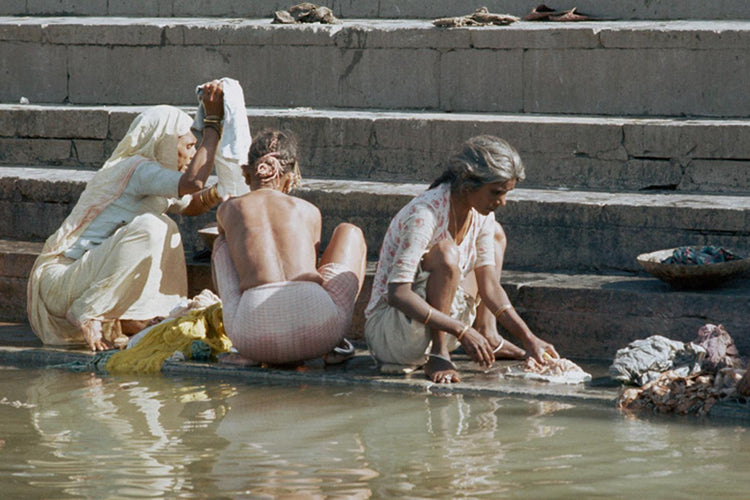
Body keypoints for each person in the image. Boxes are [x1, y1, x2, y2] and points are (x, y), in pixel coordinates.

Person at [28, 81, 227, 351]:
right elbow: (193, 184)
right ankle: (88, 310)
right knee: (152, 227)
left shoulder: (151, 178)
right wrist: (213, 126)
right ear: (164, 142)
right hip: (61, 283)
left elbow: (192, 203)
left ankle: (138, 316)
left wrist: (224, 191)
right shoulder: (136, 169)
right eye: (189, 145)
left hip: (79, 279)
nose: (192, 153)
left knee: (166, 225)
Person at [365, 135, 559, 383]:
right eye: (496, 192)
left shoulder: (482, 215)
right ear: (467, 184)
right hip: (393, 336)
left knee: (495, 236)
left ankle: (488, 334)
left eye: (506, 193)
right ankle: (439, 353)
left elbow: (490, 287)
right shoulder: (425, 213)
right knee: (447, 253)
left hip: (441, 326)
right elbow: (398, 294)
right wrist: (460, 329)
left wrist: (529, 339)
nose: (503, 202)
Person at [212, 128, 367, 365]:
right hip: (321, 333)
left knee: (220, 242)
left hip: (252, 339)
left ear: (246, 173)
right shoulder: (307, 210)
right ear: (291, 175)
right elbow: (311, 270)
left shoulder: (228, 209)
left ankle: (244, 353)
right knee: (350, 232)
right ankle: (336, 345)